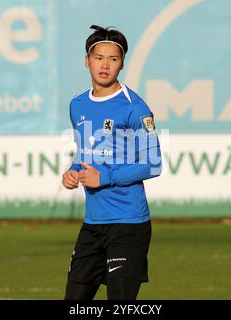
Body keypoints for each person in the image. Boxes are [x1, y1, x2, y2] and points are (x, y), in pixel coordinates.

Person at [62, 25, 162, 300]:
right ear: (87, 61)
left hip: (129, 225)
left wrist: (105, 178)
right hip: (93, 225)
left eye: (113, 59)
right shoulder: (78, 104)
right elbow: (85, 153)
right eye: (99, 58)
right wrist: (73, 172)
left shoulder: (134, 107)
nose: (105, 65)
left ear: (121, 64)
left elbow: (153, 163)